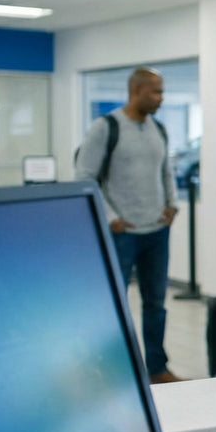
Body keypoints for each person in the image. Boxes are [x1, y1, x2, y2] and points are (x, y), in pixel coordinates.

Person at [75, 66, 182, 383]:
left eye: (162, 91)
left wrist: (172, 204)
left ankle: (157, 368)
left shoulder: (158, 130)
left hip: (156, 232)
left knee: (155, 305)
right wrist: (110, 218)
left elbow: (166, 171)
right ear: (136, 91)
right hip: (121, 234)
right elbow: (84, 176)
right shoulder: (105, 127)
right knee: (113, 305)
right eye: (156, 91)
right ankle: (113, 371)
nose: (161, 98)